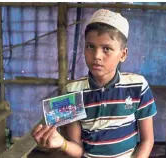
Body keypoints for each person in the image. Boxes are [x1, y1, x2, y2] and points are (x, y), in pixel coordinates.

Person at [31, 9, 157, 158]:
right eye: (90, 47)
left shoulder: (138, 86)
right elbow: (78, 150)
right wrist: (62, 143)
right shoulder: (72, 92)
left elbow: (147, 140)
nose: (97, 56)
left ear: (123, 54)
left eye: (107, 49)